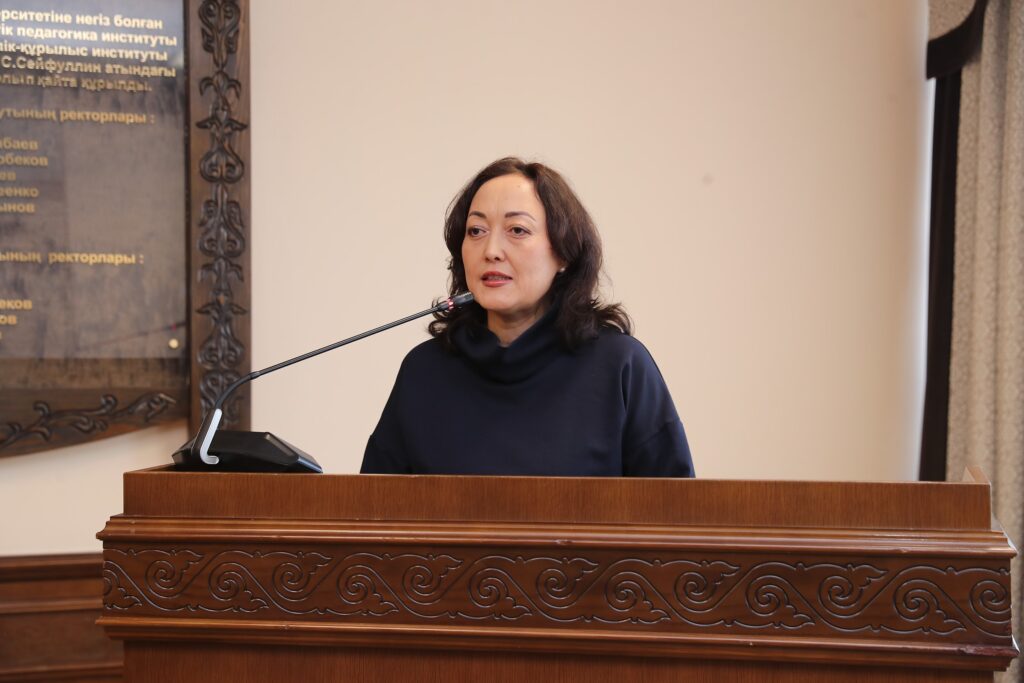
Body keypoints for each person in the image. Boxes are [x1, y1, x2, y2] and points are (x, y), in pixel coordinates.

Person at [360, 157, 694, 477]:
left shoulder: (620, 366)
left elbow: (677, 510)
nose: (491, 251)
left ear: (563, 252)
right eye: (476, 231)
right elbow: (371, 507)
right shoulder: (423, 372)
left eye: (517, 230)